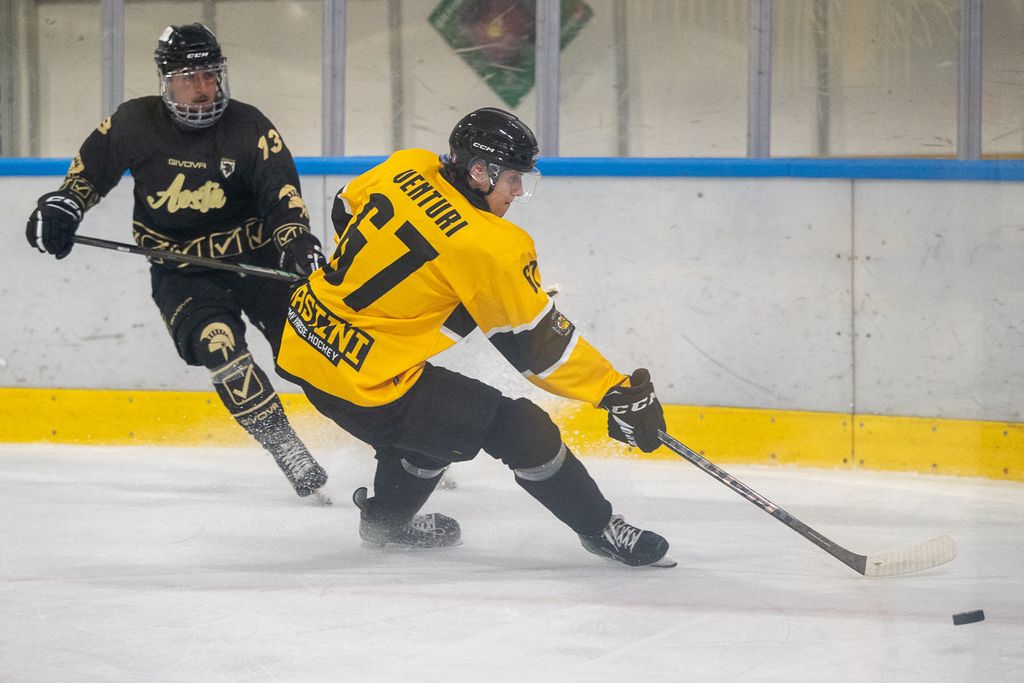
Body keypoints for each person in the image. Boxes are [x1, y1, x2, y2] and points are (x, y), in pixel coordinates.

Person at [275, 107, 675, 566]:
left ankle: (385, 522)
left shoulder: (407, 165)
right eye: (513, 179)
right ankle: (601, 529)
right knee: (522, 429)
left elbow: (344, 208)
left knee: (438, 426)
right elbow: (541, 350)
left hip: (304, 340)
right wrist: (614, 391)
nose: (518, 191)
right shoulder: (492, 247)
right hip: (367, 384)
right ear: (480, 171)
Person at [26, 23, 330, 503]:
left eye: (210, 74)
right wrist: (64, 207)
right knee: (219, 346)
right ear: (165, 80)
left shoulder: (250, 127)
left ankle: (386, 439)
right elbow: (87, 174)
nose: (203, 88)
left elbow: (281, 195)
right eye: (189, 77)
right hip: (182, 273)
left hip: (257, 262)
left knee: (317, 354)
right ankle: (287, 449)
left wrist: (295, 240)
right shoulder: (134, 122)